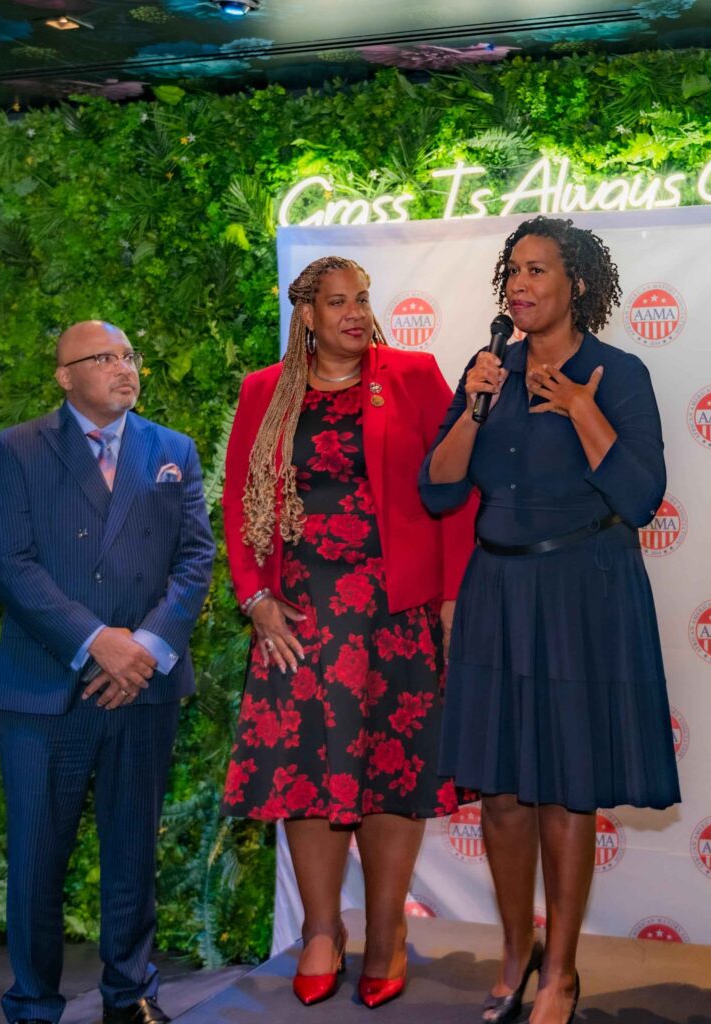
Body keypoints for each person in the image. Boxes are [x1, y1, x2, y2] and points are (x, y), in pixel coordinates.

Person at [422, 216, 680, 1024]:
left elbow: (641, 497)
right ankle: (516, 953)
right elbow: (438, 489)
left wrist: (578, 408)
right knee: (500, 792)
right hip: (497, 591)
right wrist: (474, 405)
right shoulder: (487, 369)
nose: (520, 284)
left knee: (568, 789)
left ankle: (562, 973)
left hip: (581, 593)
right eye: (513, 271)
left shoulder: (618, 373)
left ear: (578, 284)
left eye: (537, 270)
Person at [220, 256, 474, 1009]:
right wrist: (255, 598)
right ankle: (322, 930)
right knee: (307, 774)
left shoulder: (412, 376)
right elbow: (239, 498)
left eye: (361, 299)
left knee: (394, 773)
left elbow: (455, 488)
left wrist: (452, 598)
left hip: (396, 612)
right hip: (299, 617)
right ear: (307, 315)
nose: (355, 313)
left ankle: (388, 930)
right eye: (337, 303)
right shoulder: (265, 391)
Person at [0, 321, 215, 1024]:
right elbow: (11, 562)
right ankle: (33, 1004)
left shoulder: (172, 450)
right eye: (103, 358)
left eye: (129, 356)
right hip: (46, 686)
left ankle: (130, 994)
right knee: (36, 859)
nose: (123, 368)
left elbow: (195, 559)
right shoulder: (17, 449)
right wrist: (95, 642)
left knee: (133, 850)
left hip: (142, 685)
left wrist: (143, 648)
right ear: (65, 376)